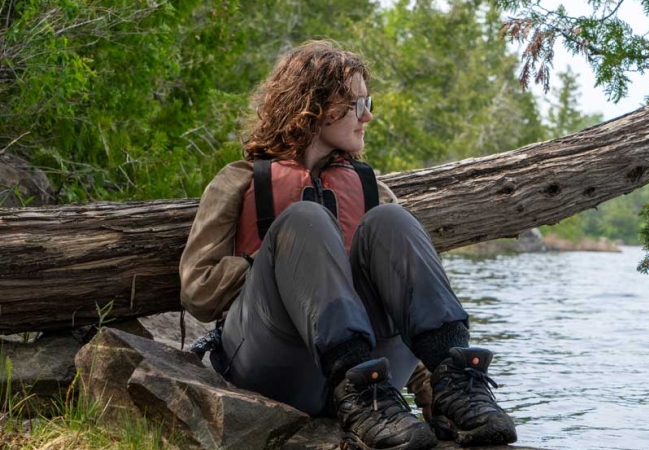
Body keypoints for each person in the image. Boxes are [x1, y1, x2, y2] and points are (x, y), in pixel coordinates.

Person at [179, 40, 516, 449]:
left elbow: (410, 301)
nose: (367, 116)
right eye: (357, 104)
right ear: (314, 108)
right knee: (305, 219)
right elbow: (198, 291)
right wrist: (289, 265)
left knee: (392, 220)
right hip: (276, 363)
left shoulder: (376, 191)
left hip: (369, 377)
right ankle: (363, 396)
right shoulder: (239, 180)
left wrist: (430, 395)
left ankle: (458, 388)